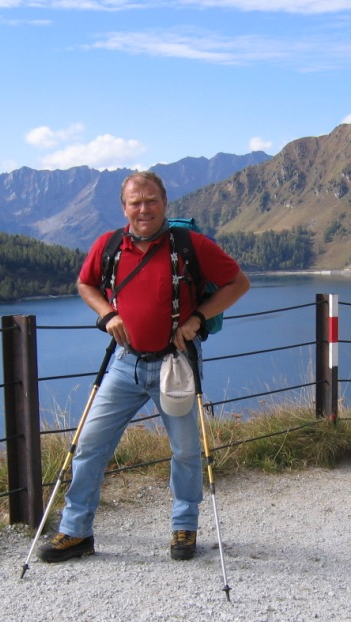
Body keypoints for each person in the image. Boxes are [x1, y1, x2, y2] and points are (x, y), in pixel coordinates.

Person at [39, 171, 250, 563]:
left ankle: (184, 527)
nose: (144, 209)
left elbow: (238, 283)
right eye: (135, 202)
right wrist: (107, 314)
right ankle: (76, 531)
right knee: (89, 444)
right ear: (124, 208)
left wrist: (198, 318)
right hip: (125, 363)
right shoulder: (109, 246)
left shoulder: (189, 245)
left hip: (176, 364)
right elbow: (85, 284)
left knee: (185, 450)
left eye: (151, 200)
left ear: (165, 202)